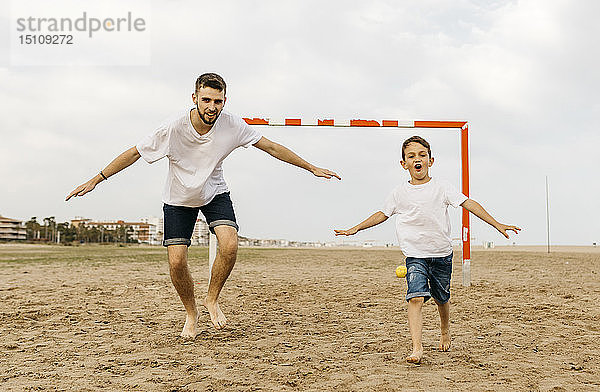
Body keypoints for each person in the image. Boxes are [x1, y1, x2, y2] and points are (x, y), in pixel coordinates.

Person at [66, 73, 340, 338]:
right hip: (178, 198)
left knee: (230, 244)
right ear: (195, 97)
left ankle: (212, 299)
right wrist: (96, 179)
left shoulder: (233, 125)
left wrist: (311, 167)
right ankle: (191, 313)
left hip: (214, 192)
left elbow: (271, 147)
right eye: (206, 100)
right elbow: (134, 153)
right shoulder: (172, 128)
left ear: (224, 101)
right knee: (176, 261)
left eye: (217, 101)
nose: (212, 107)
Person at [333, 135, 519, 364]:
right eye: (411, 156)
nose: (417, 159)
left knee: (442, 299)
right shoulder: (398, 193)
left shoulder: (442, 187)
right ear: (404, 164)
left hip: (441, 254)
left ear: (431, 160)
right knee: (415, 298)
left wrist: (497, 224)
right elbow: (382, 214)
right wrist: (356, 228)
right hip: (415, 256)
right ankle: (417, 348)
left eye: (422, 155)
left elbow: (469, 204)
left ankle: (444, 330)